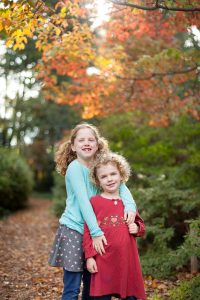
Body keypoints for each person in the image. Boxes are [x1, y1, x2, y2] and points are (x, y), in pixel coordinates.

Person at [48, 123, 137, 300]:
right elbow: (84, 203)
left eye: (91, 139)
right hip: (75, 230)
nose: (86, 143)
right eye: (81, 140)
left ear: (98, 144)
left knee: (93, 285)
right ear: (73, 146)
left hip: (96, 231)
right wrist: (96, 233)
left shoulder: (101, 165)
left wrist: (130, 207)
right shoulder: (74, 168)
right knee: (72, 287)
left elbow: (122, 187)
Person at [83, 152, 146, 300]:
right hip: (103, 260)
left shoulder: (127, 203)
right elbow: (87, 231)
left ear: (121, 175)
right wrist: (90, 257)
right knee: (101, 295)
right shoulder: (95, 202)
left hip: (126, 260)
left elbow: (140, 224)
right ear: (98, 181)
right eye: (104, 176)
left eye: (113, 174)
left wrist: (137, 228)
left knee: (130, 294)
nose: (109, 179)